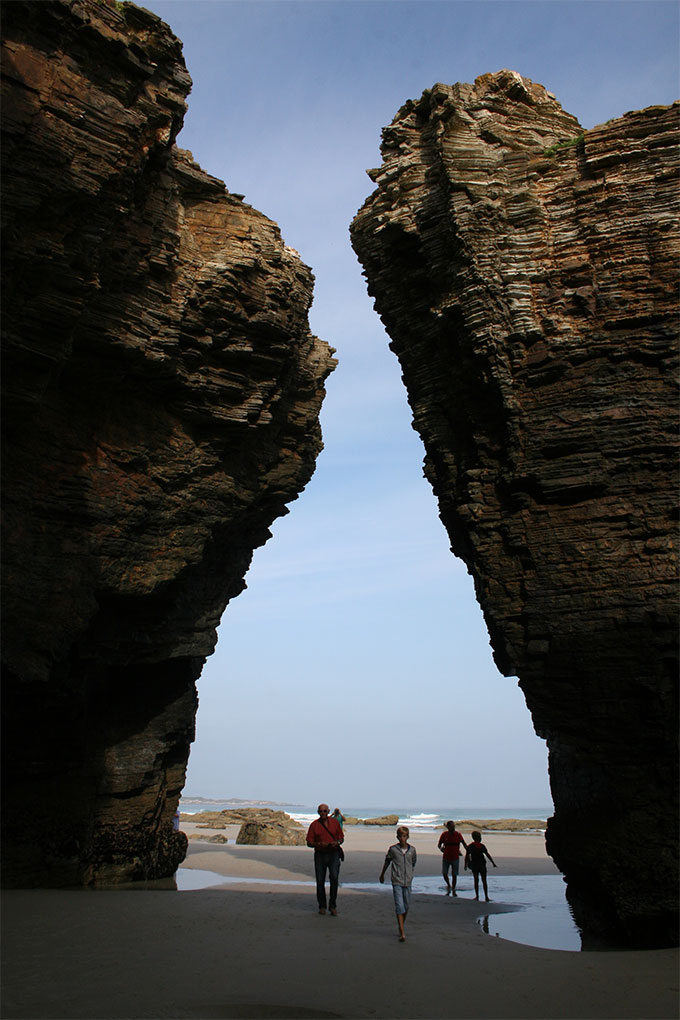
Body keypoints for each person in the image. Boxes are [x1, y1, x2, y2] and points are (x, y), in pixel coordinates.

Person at [379, 825, 417, 942]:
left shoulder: (412, 850)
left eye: (404, 836)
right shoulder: (393, 849)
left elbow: (413, 863)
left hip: (408, 881)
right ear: (397, 837)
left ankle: (401, 924)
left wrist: (410, 874)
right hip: (397, 880)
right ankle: (401, 930)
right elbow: (387, 861)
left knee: (406, 906)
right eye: (400, 836)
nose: (402, 839)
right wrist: (382, 874)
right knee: (399, 905)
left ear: (408, 837)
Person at [306, 803, 344, 915]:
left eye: (325, 811)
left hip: (334, 854)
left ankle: (333, 905)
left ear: (328, 812)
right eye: (321, 811)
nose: (323, 813)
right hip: (320, 854)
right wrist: (318, 844)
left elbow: (341, 838)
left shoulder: (335, 823)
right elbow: (309, 842)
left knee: (334, 878)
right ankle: (322, 906)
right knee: (320, 880)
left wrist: (336, 843)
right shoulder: (314, 825)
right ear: (318, 812)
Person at [464, 830, 497, 901]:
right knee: (484, 881)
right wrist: (493, 862)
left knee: (476, 881)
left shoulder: (470, 846)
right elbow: (487, 854)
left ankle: (477, 896)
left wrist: (465, 865)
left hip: (475, 865)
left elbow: (467, 856)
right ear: (479, 838)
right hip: (482, 864)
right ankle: (486, 896)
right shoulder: (482, 846)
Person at [437, 820, 467, 896]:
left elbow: (464, 844)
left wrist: (469, 852)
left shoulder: (458, 834)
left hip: (455, 857)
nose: (453, 828)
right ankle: (448, 884)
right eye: (451, 826)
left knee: (454, 874)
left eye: (454, 826)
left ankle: (453, 888)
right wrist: (441, 849)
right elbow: (439, 845)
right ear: (448, 827)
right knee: (444, 873)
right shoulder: (444, 835)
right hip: (446, 857)